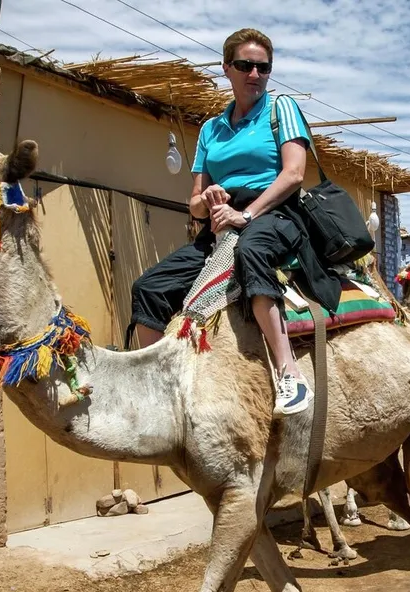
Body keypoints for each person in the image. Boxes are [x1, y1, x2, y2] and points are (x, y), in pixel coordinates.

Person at [128, 28, 341, 416]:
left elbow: (294, 174)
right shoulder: (210, 129)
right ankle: (158, 386)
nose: (255, 74)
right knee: (148, 287)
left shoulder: (281, 109)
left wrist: (245, 214)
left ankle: (289, 373)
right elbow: (194, 204)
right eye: (245, 65)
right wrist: (209, 199)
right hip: (220, 223)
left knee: (252, 251)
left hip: (275, 214)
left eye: (263, 67)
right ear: (226, 68)